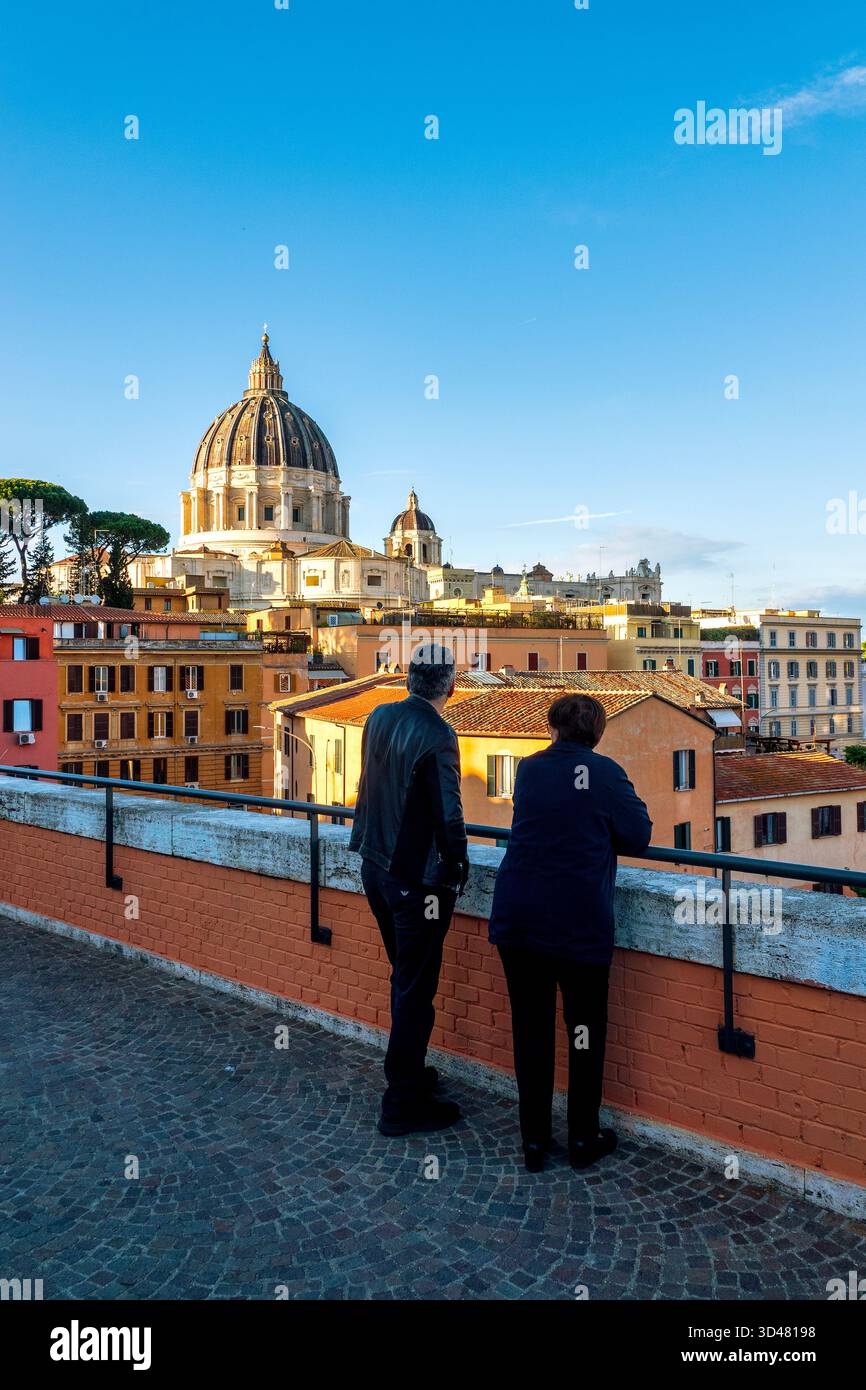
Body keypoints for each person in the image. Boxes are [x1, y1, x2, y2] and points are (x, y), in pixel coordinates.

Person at [489, 693, 652, 1173]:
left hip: (519, 918)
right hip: (578, 926)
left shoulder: (528, 770)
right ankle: (583, 1137)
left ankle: (534, 1141)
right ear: (597, 734)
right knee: (583, 1032)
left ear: (552, 729)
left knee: (532, 1032)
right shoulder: (604, 773)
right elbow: (639, 835)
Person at [350, 642, 469, 1136]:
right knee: (415, 990)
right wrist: (458, 864)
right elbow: (449, 811)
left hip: (374, 867)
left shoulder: (378, 716)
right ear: (450, 686)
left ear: (408, 679)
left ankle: (413, 1075)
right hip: (414, 881)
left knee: (405, 976)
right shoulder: (439, 734)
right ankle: (401, 1103)